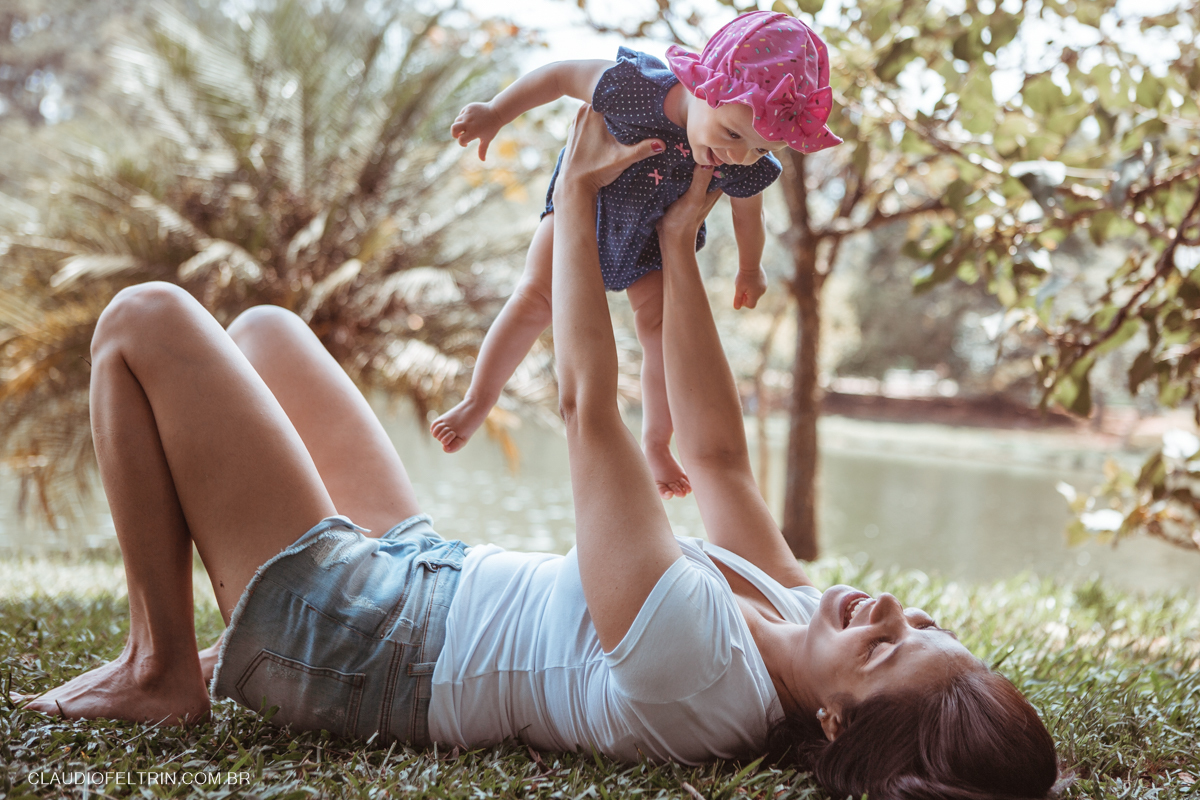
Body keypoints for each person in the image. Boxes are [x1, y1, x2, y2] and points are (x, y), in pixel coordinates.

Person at [18, 107, 1057, 800]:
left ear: (832, 723)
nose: (882, 609)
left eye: (884, 647)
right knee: (265, 335)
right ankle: (210, 642)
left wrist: (580, 202)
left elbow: (585, 405)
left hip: (368, 647)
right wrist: (675, 242)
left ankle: (161, 666)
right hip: (426, 576)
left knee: (143, 319)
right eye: (922, 620)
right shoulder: (795, 616)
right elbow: (717, 460)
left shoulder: (702, 674)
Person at [431, 11, 842, 500]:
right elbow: (562, 76)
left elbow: (749, 216)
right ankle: (478, 400)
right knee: (534, 299)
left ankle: (655, 442)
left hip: (651, 239)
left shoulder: (739, 157)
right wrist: (497, 112)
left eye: (759, 150)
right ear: (705, 86)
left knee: (661, 332)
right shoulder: (638, 87)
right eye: (733, 135)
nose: (737, 157)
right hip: (581, 210)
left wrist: (750, 267)